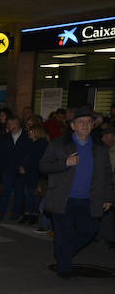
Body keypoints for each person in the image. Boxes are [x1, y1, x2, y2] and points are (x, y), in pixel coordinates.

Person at [39, 109, 114, 279]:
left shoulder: (99, 149)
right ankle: (64, 267)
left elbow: (108, 175)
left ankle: (64, 253)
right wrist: (65, 162)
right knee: (63, 232)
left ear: (93, 125)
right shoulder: (58, 144)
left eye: (89, 122)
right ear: (73, 126)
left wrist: (108, 197)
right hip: (63, 198)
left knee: (90, 230)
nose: (86, 125)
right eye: (81, 122)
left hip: (89, 199)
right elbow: (43, 166)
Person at [0, 117, 31, 220]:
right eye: (8, 124)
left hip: (21, 169)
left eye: (10, 124)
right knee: (5, 192)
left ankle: (15, 213)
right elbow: (0, 153)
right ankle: (1, 212)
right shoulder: (5, 137)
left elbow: (29, 154)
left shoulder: (27, 136)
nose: (8, 126)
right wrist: (3, 167)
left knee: (19, 193)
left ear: (16, 124)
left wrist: (25, 166)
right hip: (8, 169)